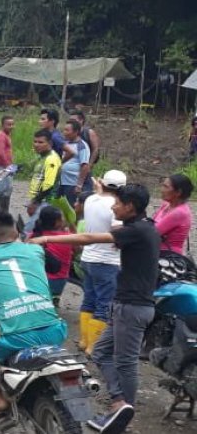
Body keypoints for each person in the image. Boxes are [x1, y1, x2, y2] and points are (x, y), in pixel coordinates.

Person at [31, 183, 159, 434]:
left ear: (131, 207)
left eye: (118, 204)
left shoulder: (135, 231)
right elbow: (110, 229)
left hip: (132, 307)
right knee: (100, 352)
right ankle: (119, 403)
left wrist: (46, 238)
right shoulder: (145, 227)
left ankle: (123, 409)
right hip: (127, 305)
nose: (113, 207)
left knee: (125, 362)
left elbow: (88, 238)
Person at [0, 211, 67, 422]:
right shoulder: (35, 249)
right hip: (55, 330)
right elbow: (55, 266)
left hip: (17, 336)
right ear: (17, 232)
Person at [76, 171, 125, 355]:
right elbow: (117, 231)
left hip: (88, 257)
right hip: (107, 261)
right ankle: (93, 346)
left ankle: (84, 341)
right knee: (104, 303)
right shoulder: (116, 205)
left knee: (89, 299)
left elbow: (99, 193)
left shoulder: (90, 200)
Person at [30, 205, 74, 307]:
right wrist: (71, 226)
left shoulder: (34, 236)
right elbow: (78, 248)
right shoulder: (67, 237)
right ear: (57, 222)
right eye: (62, 217)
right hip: (57, 282)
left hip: (37, 280)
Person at [25, 129, 62, 233]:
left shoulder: (51, 159)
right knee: (37, 232)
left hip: (46, 201)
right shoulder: (41, 157)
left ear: (49, 143)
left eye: (41, 142)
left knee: (27, 232)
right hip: (40, 201)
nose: (37, 145)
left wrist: (35, 202)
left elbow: (48, 185)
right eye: (35, 141)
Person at [155, 173, 192, 254]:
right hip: (157, 252)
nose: (162, 189)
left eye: (166, 187)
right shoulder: (166, 205)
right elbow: (151, 224)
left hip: (167, 257)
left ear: (178, 192)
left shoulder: (179, 213)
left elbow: (152, 232)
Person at [59, 120, 90, 208]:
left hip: (72, 183)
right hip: (62, 181)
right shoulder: (66, 143)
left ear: (76, 132)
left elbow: (84, 166)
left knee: (70, 207)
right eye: (64, 130)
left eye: (67, 130)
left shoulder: (82, 146)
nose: (64, 133)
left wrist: (79, 185)